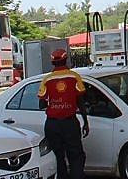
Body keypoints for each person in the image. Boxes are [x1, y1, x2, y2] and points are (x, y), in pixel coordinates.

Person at [38, 49, 89, 179]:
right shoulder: (74, 77)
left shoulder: (47, 79)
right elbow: (80, 102)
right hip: (69, 123)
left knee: (57, 157)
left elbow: (41, 104)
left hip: (52, 124)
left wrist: (54, 103)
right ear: (66, 60)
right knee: (76, 155)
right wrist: (85, 122)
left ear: (52, 62)